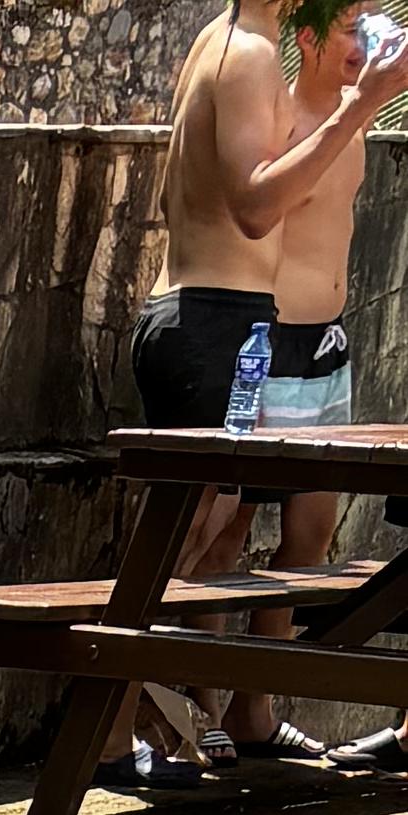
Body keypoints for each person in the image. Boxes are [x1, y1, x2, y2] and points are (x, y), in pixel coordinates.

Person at [136, 1, 408, 774]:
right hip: (246, 331)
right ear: (311, 30)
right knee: (209, 526)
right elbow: (253, 208)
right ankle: (169, 714)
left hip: (306, 339)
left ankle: (238, 710)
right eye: (350, 26)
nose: (362, 41)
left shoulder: (230, 50)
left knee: (299, 532)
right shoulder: (260, 73)